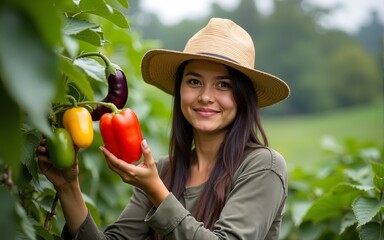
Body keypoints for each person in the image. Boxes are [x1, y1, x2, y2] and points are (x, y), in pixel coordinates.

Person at [37, 18, 290, 240]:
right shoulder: (165, 170)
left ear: (242, 97)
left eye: (223, 85)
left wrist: (157, 191)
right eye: (194, 81)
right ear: (180, 89)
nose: (205, 96)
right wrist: (69, 187)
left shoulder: (263, 166)